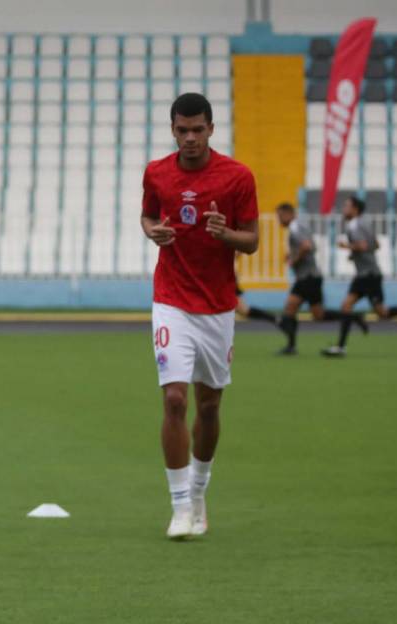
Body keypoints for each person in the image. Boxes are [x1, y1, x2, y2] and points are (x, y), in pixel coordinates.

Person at [141, 93, 258, 541]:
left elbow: (251, 241)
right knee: (174, 399)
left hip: (217, 307)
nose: (190, 138)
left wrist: (223, 232)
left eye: (197, 129)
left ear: (211, 129)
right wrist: (156, 232)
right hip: (171, 299)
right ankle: (178, 506)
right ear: (173, 130)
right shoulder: (156, 172)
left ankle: (199, 491)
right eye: (181, 130)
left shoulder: (237, 177)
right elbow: (148, 216)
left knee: (209, 406)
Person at [322, 195, 397, 357]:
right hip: (367, 274)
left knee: (367, 310)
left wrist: (346, 246)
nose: (344, 209)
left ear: (355, 209)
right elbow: (375, 245)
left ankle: (341, 346)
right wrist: (354, 254)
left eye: (347, 206)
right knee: (366, 310)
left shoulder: (354, 225)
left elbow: (363, 246)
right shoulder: (364, 223)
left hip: (368, 275)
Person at [274, 202, 367, 354]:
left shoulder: (295, 227)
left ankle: (291, 347)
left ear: (288, 214)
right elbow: (309, 246)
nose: (279, 220)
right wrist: (293, 254)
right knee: (318, 314)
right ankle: (352, 317)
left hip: (308, 277)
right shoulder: (299, 226)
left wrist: (294, 260)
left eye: (279, 216)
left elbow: (307, 246)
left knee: (291, 309)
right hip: (310, 277)